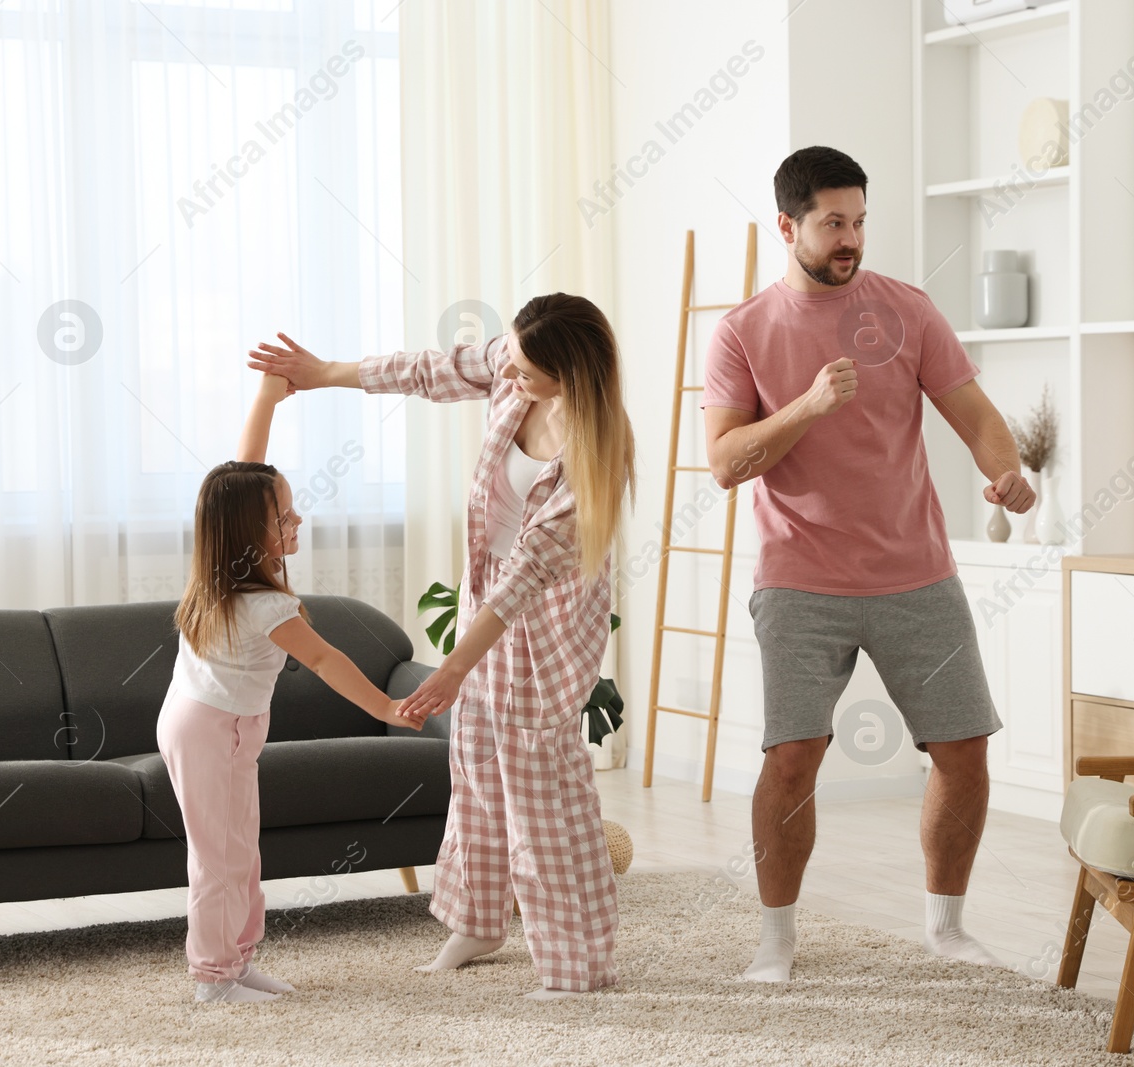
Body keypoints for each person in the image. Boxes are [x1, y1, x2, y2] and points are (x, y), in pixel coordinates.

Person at [701, 146, 1034, 983]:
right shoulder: (743, 331)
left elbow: (976, 413)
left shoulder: (908, 311)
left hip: (918, 572)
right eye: (831, 223)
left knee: (964, 752)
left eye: (857, 221)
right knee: (793, 758)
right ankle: (776, 940)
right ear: (789, 225)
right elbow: (726, 460)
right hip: (799, 579)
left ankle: (947, 926)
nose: (850, 239)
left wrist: (1007, 471)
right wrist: (810, 405)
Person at [247, 293, 635, 1000]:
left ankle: (577, 958)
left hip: (547, 625)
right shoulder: (515, 366)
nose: (506, 373)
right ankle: (479, 919)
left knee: (537, 776)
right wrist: (323, 370)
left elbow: (525, 582)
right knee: (476, 754)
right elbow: (428, 370)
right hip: (487, 603)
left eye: (522, 368)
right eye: (507, 358)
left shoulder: (592, 459)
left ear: (568, 374)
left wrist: (456, 666)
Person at [159, 370, 417, 1004]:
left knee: (241, 851)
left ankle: (238, 960)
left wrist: (267, 399)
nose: (298, 517)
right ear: (251, 532)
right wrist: (388, 707)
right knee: (219, 859)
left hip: (218, 726)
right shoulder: (263, 607)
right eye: (285, 514)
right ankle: (213, 979)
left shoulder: (224, 558)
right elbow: (329, 662)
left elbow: (246, 471)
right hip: (210, 729)